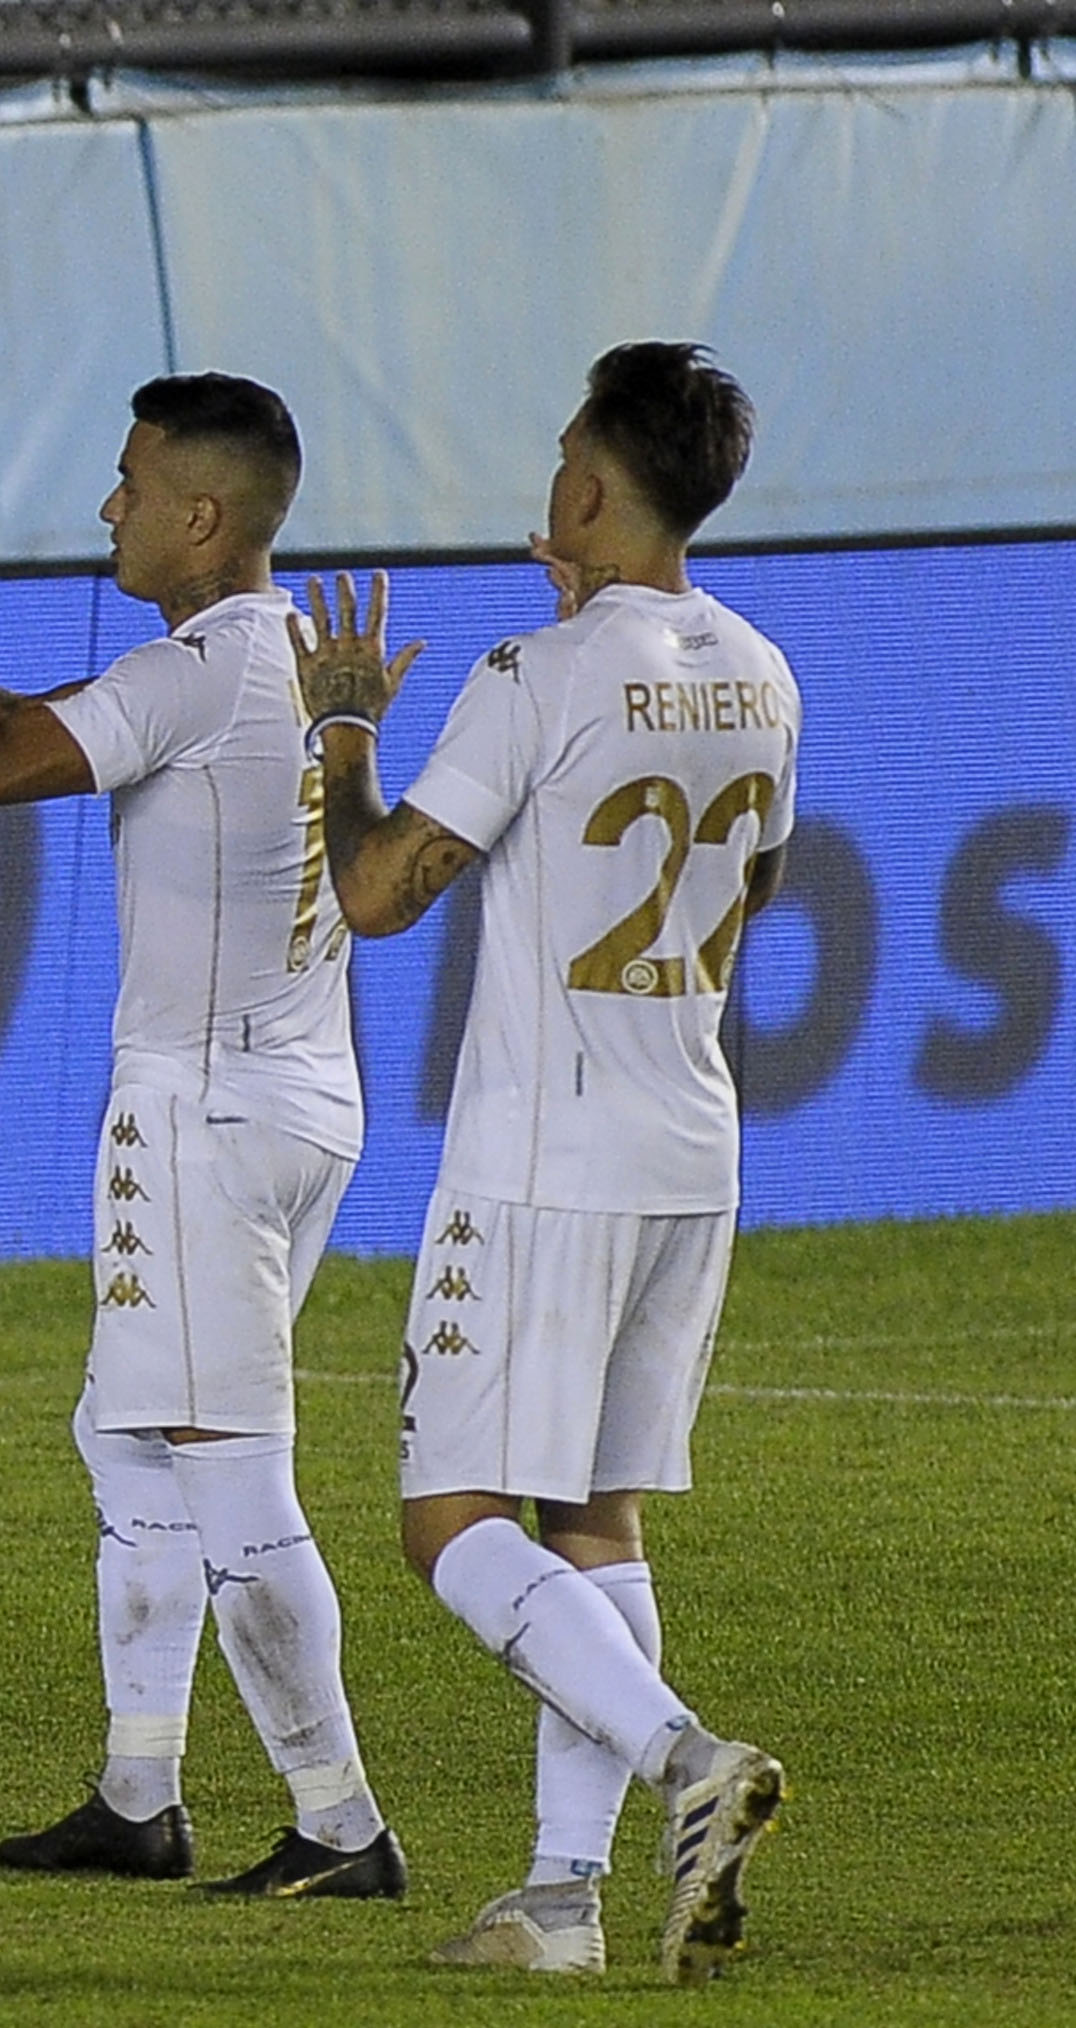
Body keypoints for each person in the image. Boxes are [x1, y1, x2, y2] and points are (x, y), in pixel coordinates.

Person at [0, 383, 403, 1897]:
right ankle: (138, 1792)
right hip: (302, 1094)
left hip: (201, 1107)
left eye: (131, 482)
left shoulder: (199, 666)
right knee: (132, 1437)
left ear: (202, 517)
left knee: (228, 1467)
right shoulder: (278, 659)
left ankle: (341, 1823)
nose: (110, 508)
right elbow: (7, 726)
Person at [292, 341, 791, 1983]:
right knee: (597, 1519)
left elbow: (376, 894)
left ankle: (686, 1763)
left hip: (540, 1157)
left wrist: (347, 732)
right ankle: (561, 1901)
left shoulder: (536, 672)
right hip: (689, 1137)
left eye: (563, 449)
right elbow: (757, 901)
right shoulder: (770, 677)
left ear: (588, 485)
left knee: (451, 1521)